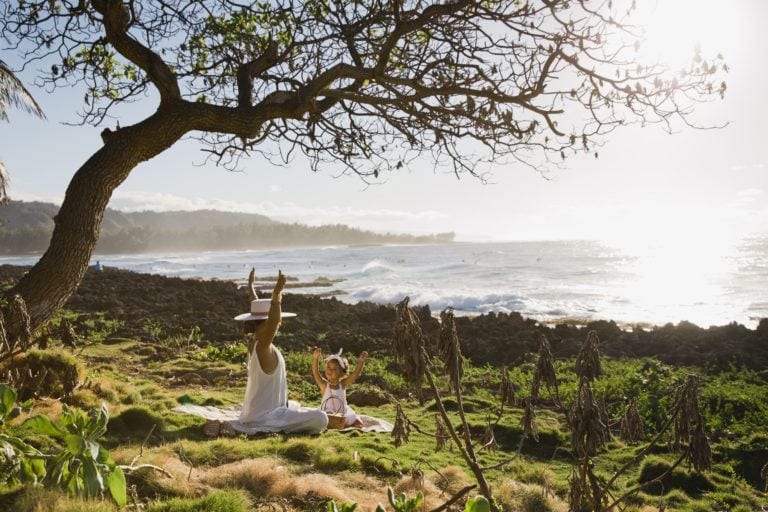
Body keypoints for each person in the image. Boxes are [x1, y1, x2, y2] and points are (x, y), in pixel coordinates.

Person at [211, 269, 328, 436]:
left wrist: (250, 286)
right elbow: (273, 322)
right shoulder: (262, 346)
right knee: (321, 418)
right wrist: (277, 293)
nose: (280, 323)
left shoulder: (256, 342)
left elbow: (259, 309)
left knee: (294, 404)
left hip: (263, 411)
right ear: (264, 324)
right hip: (267, 417)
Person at [312, 347, 368, 428]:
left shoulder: (343, 384)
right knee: (321, 419)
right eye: (328, 367)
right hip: (326, 413)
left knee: (358, 423)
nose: (330, 370)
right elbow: (315, 373)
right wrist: (316, 358)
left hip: (342, 413)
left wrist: (361, 362)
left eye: (334, 369)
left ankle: (342, 425)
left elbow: (355, 375)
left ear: (341, 373)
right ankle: (335, 424)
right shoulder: (324, 384)